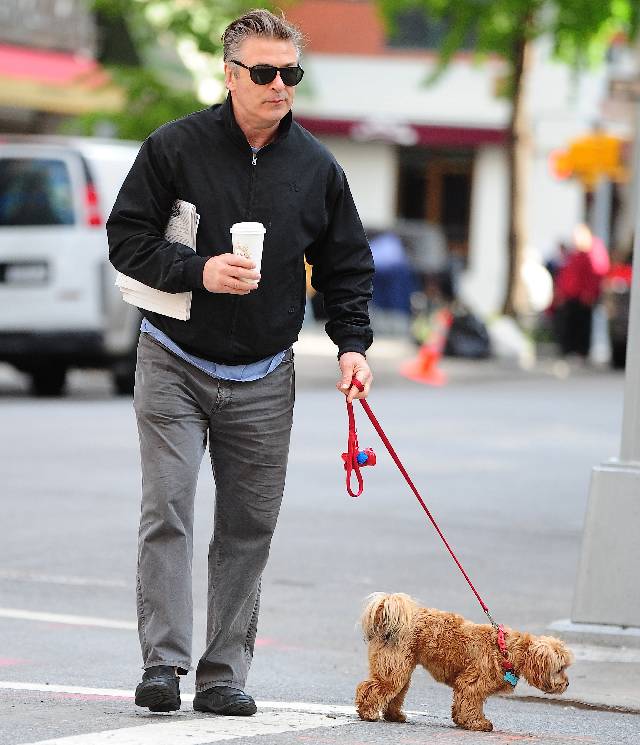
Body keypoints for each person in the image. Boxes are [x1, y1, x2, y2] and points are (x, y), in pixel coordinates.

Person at [106, 9, 374, 717]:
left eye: (291, 73)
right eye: (264, 72)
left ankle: (223, 673)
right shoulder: (175, 148)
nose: (280, 84)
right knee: (168, 508)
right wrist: (198, 270)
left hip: (265, 372)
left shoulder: (317, 167)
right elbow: (126, 237)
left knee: (248, 526)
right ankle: (162, 663)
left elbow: (346, 263)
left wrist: (352, 345)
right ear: (230, 76)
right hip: (174, 358)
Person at [554, 224, 609, 360]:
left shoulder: (592, 251)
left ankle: (581, 351)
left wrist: (590, 292)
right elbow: (566, 274)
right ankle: (569, 350)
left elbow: (596, 274)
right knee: (568, 323)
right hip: (570, 295)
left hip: (583, 296)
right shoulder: (575, 253)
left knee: (582, 324)